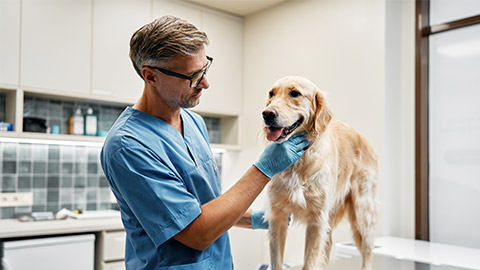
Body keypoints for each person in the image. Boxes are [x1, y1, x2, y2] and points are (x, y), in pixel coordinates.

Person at [100, 15, 309, 269]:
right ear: (151, 76)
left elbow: (200, 208)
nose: (206, 83)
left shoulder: (194, 123)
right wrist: (263, 169)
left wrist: (255, 218)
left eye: (205, 69)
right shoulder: (128, 146)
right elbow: (196, 232)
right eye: (193, 76)